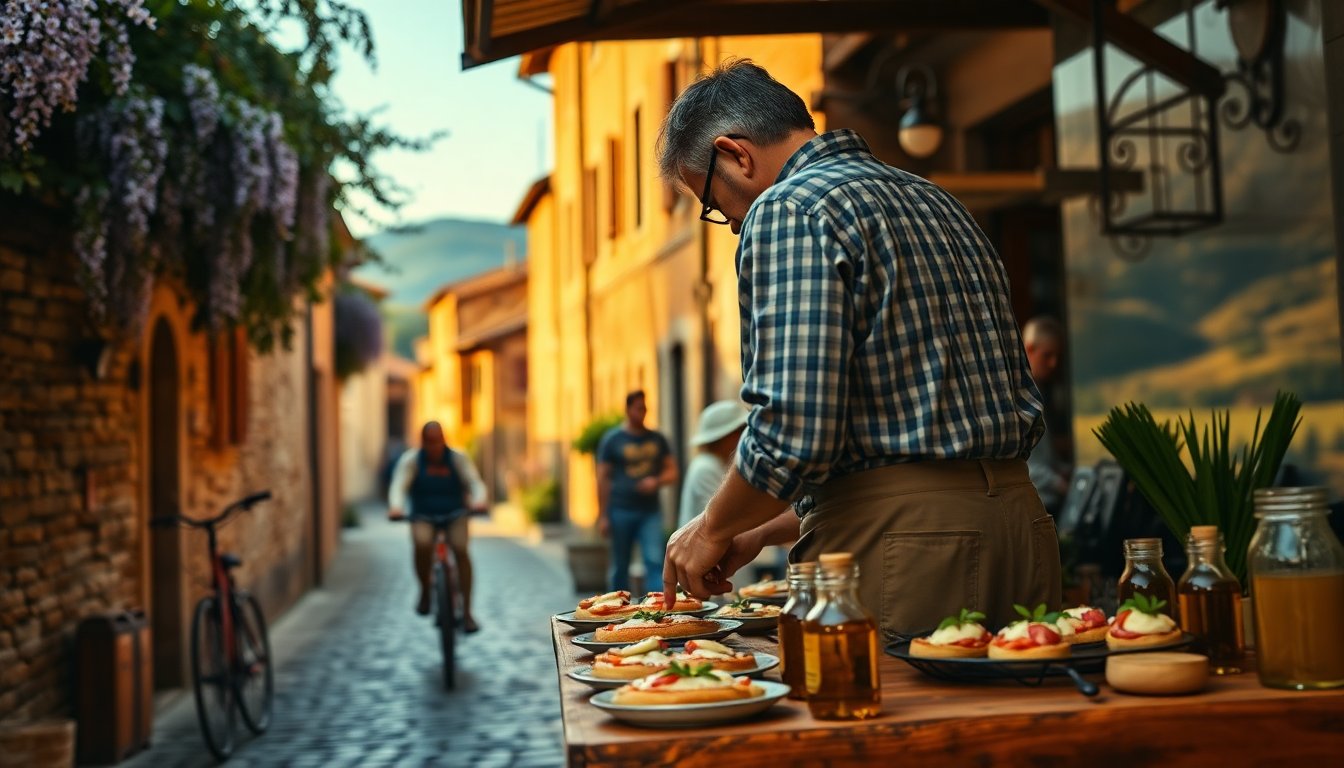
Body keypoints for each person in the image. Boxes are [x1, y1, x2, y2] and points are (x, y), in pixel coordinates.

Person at [655, 60, 1060, 639]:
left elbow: (794, 431)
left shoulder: (787, 207)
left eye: (715, 204)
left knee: (883, 724)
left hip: (908, 551)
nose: (733, 225)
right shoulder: (936, 201)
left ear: (736, 155)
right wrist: (758, 530)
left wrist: (710, 529)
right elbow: (911, 436)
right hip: (1022, 526)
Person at [388, 421, 488, 633]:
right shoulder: (412, 460)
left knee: (461, 549)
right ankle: (425, 590)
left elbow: (474, 482)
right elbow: (399, 484)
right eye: (429, 442)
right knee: (422, 543)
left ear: (444, 439)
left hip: (455, 514)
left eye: (438, 441)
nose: (434, 446)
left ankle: (468, 612)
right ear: (422, 442)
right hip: (423, 514)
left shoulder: (458, 458)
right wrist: (396, 507)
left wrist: (479, 500)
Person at [597, 390, 679, 593]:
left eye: (645, 408)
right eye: (638, 408)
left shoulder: (657, 439)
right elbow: (602, 478)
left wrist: (656, 481)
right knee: (620, 565)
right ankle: (616, 609)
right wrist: (603, 515)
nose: (642, 413)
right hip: (620, 510)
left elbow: (672, 472)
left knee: (653, 560)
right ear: (628, 409)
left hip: (649, 511)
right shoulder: (613, 440)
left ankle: (657, 606)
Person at [1023, 315, 1072, 516]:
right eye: (1047, 355)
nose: (1053, 364)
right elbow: (1023, 464)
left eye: (1057, 357)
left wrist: (1065, 471)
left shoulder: (1037, 394)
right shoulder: (1019, 397)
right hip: (1037, 506)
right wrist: (1058, 482)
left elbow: (1044, 459)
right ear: (1029, 349)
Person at [678, 400, 749, 528]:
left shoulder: (720, 463)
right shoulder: (705, 467)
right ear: (727, 436)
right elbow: (724, 518)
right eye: (741, 431)